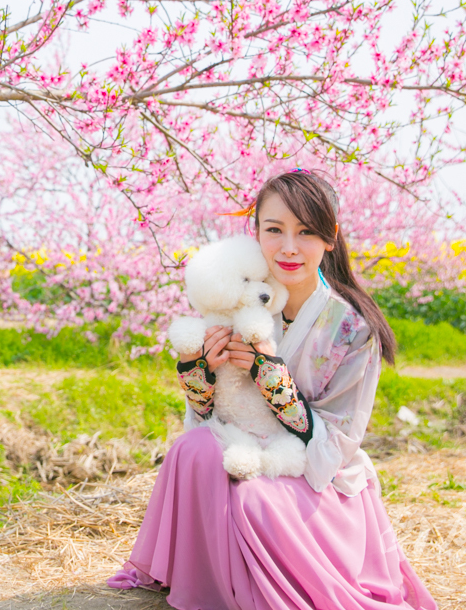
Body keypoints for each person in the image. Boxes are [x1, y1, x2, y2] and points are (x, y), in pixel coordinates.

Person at [108, 170, 437, 610]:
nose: (288, 247)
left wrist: (272, 378)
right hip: (247, 445)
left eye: (305, 232)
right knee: (194, 448)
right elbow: (214, 415)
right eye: (274, 230)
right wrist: (199, 369)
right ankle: (209, 584)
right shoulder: (244, 299)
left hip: (317, 484)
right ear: (256, 232)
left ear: (330, 237)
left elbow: (336, 446)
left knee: (248, 493)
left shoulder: (353, 329)